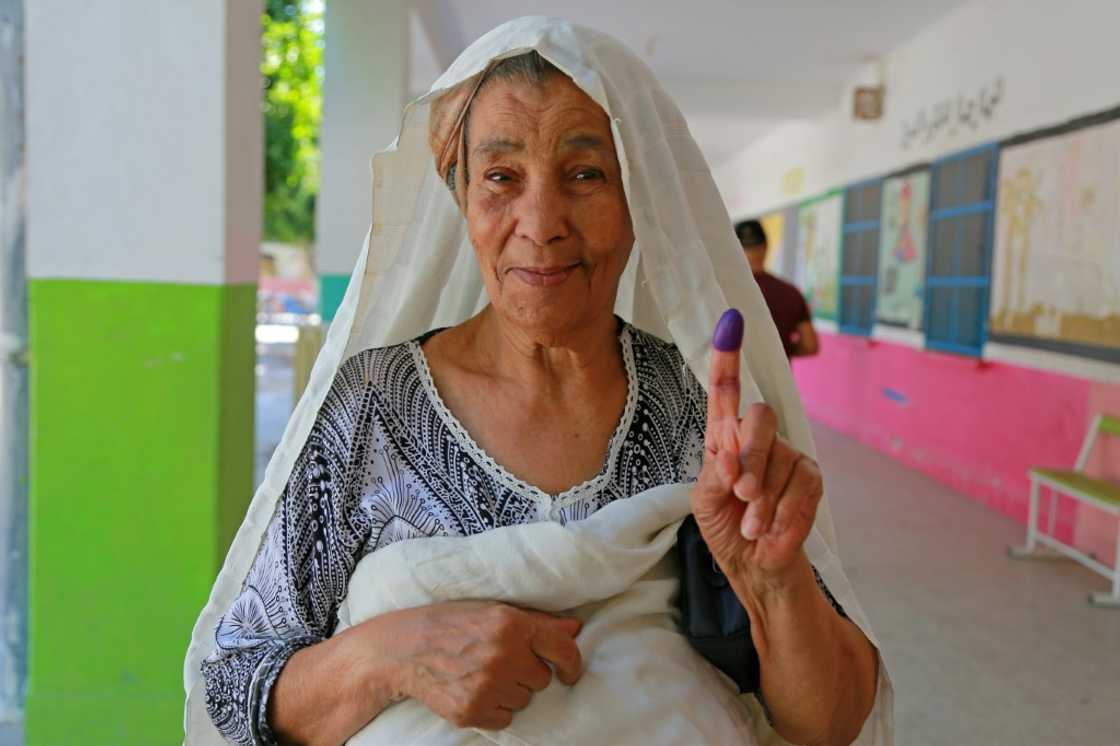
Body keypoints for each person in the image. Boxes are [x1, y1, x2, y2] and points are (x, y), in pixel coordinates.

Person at [185, 18, 891, 746]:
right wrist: (386, 657)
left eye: (586, 174)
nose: (542, 223)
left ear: (638, 196)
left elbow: (831, 723)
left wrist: (774, 584)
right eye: (501, 177)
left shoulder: (701, 415)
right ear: (459, 192)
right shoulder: (372, 406)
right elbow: (237, 685)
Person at [736, 219, 820, 359]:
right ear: (766, 246)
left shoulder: (726, 291)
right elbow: (810, 345)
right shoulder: (791, 293)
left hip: (737, 377)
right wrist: (783, 350)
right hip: (780, 378)